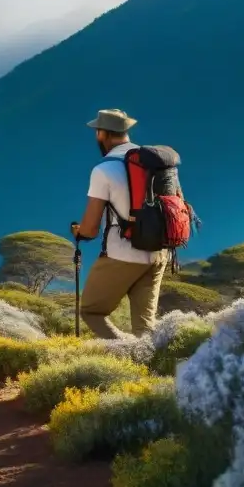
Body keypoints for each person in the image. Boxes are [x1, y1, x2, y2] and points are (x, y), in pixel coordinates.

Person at [71, 109, 169, 338]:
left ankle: (126, 353)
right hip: (159, 252)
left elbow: (91, 229)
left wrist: (78, 231)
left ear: (102, 134)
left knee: (91, 312)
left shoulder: (104, 170)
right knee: (145, 328)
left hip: (124, 253)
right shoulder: (155, 163)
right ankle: (148, 366)